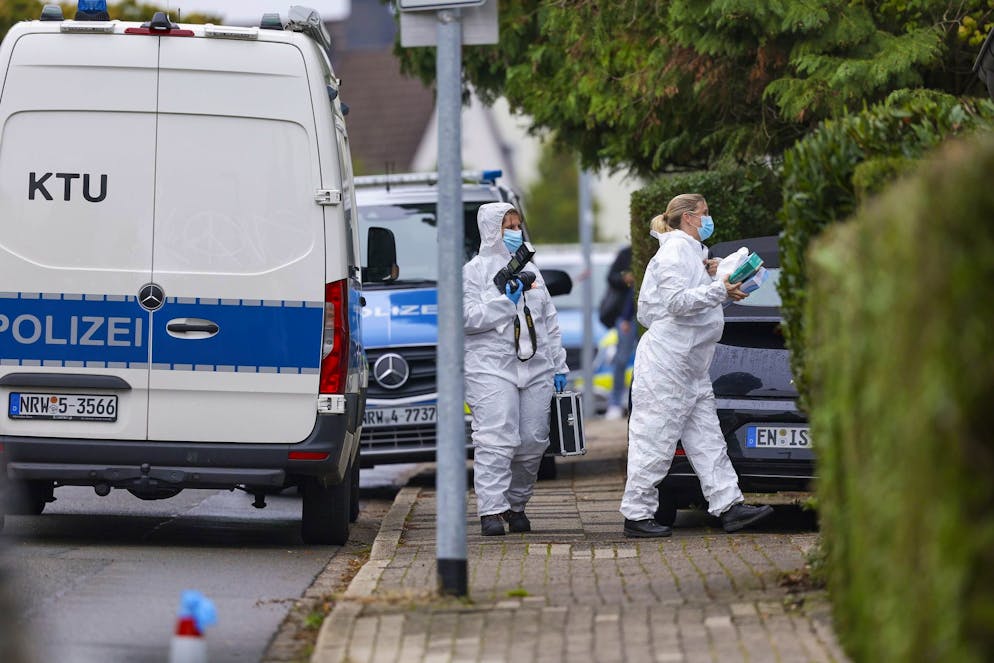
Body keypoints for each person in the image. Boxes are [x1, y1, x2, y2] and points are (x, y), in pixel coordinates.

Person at [620, 194, 774, 538]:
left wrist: (717, 280)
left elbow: (667, 305)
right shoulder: (674, 251)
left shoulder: (693, 254)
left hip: (690, 365)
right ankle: (637, 514)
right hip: (667, 365)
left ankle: (729, 506)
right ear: (688, 218)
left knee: (708, 439)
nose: (708, 218)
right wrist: (721, 291)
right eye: (704, 213)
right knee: (654, 439)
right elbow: (676, 302)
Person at [463, 202, 569, 536]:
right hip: (491, 367)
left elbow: (549, 321)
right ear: (491, 230)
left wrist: (559, 365)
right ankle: (492, 510)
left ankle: (516, 504)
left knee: (534, 441)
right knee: (496, 438)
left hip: (536, 367)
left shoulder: (531, 270)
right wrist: (504, 302)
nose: (515, 232)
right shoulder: (474, 272)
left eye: (517, 225)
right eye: (507, 226)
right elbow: (466, 318)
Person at [603, 245, 636, 420]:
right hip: (626, 317)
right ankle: (615, 402)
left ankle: (634, 401)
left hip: (639, 316)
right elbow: (611, 278)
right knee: (621, 359)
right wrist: (625, 279)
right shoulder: (626, 254)